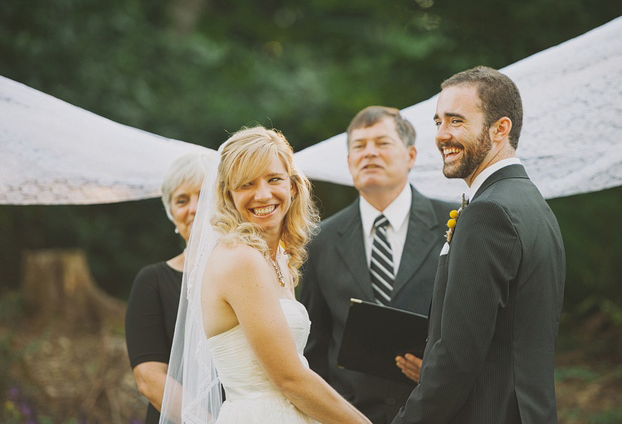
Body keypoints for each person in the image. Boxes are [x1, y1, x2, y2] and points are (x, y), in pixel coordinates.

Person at [160, 126, 370, 423]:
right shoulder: (240, 260)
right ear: (227, 195)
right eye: (246, 184)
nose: (263, 194)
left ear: (293, 186)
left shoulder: (279, 258)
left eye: (274, 179)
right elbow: (290, 379)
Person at [392, 66, 566, 423]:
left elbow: (457, 357)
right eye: (438, 122)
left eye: (456, 121)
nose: (442, 136)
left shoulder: (489, 212)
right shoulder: (532, 203)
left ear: (500, 129)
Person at [299, 106, 457, 423]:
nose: (369, 153)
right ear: (348, 161)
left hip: (439, 411)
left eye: (382, 143)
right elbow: (314, 344)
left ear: (411, 155)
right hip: (350, 414)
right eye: (359, 146)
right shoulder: (319, 240)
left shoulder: (456, 223)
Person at [125, 150, 216, 424]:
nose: (193, 208)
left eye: (203, 195)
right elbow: (149, 378)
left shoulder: (251, 270)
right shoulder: (151, 281)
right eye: (181, 200)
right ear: (171, 213)